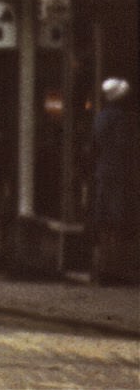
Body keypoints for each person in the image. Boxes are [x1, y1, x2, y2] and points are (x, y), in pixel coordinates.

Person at [89, 78, 138, 285]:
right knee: (118, 220)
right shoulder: (121, 119)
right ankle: (115, 269)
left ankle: (102, 267)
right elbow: (124, 146)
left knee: (105, 221)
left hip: (104, 171)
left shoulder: (101, 117)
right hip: (119, 174)